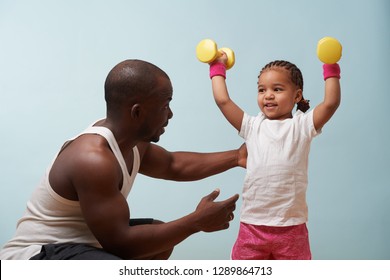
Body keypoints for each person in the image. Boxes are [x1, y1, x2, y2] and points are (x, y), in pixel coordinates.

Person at [0, 59, 247, 260]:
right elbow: (122, 245)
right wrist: (195, 222)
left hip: (83, 243)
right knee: (118, 266)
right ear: (137, 112)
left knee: (159, 242)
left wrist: (237, 157)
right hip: (37, 255)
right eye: (165, 105)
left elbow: (173, 165)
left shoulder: (130, 142)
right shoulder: (93, 160)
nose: (170, 114)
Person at [207, 54, 341, 259]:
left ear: (297, 96)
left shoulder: (302, 125)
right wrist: (217, 66)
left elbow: (330, 103)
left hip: (291, 227)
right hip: (252, 225)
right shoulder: (252, 126)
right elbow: (223, 101)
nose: (268, 95)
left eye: (277, 89)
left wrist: (330, 64)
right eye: (262, 90)